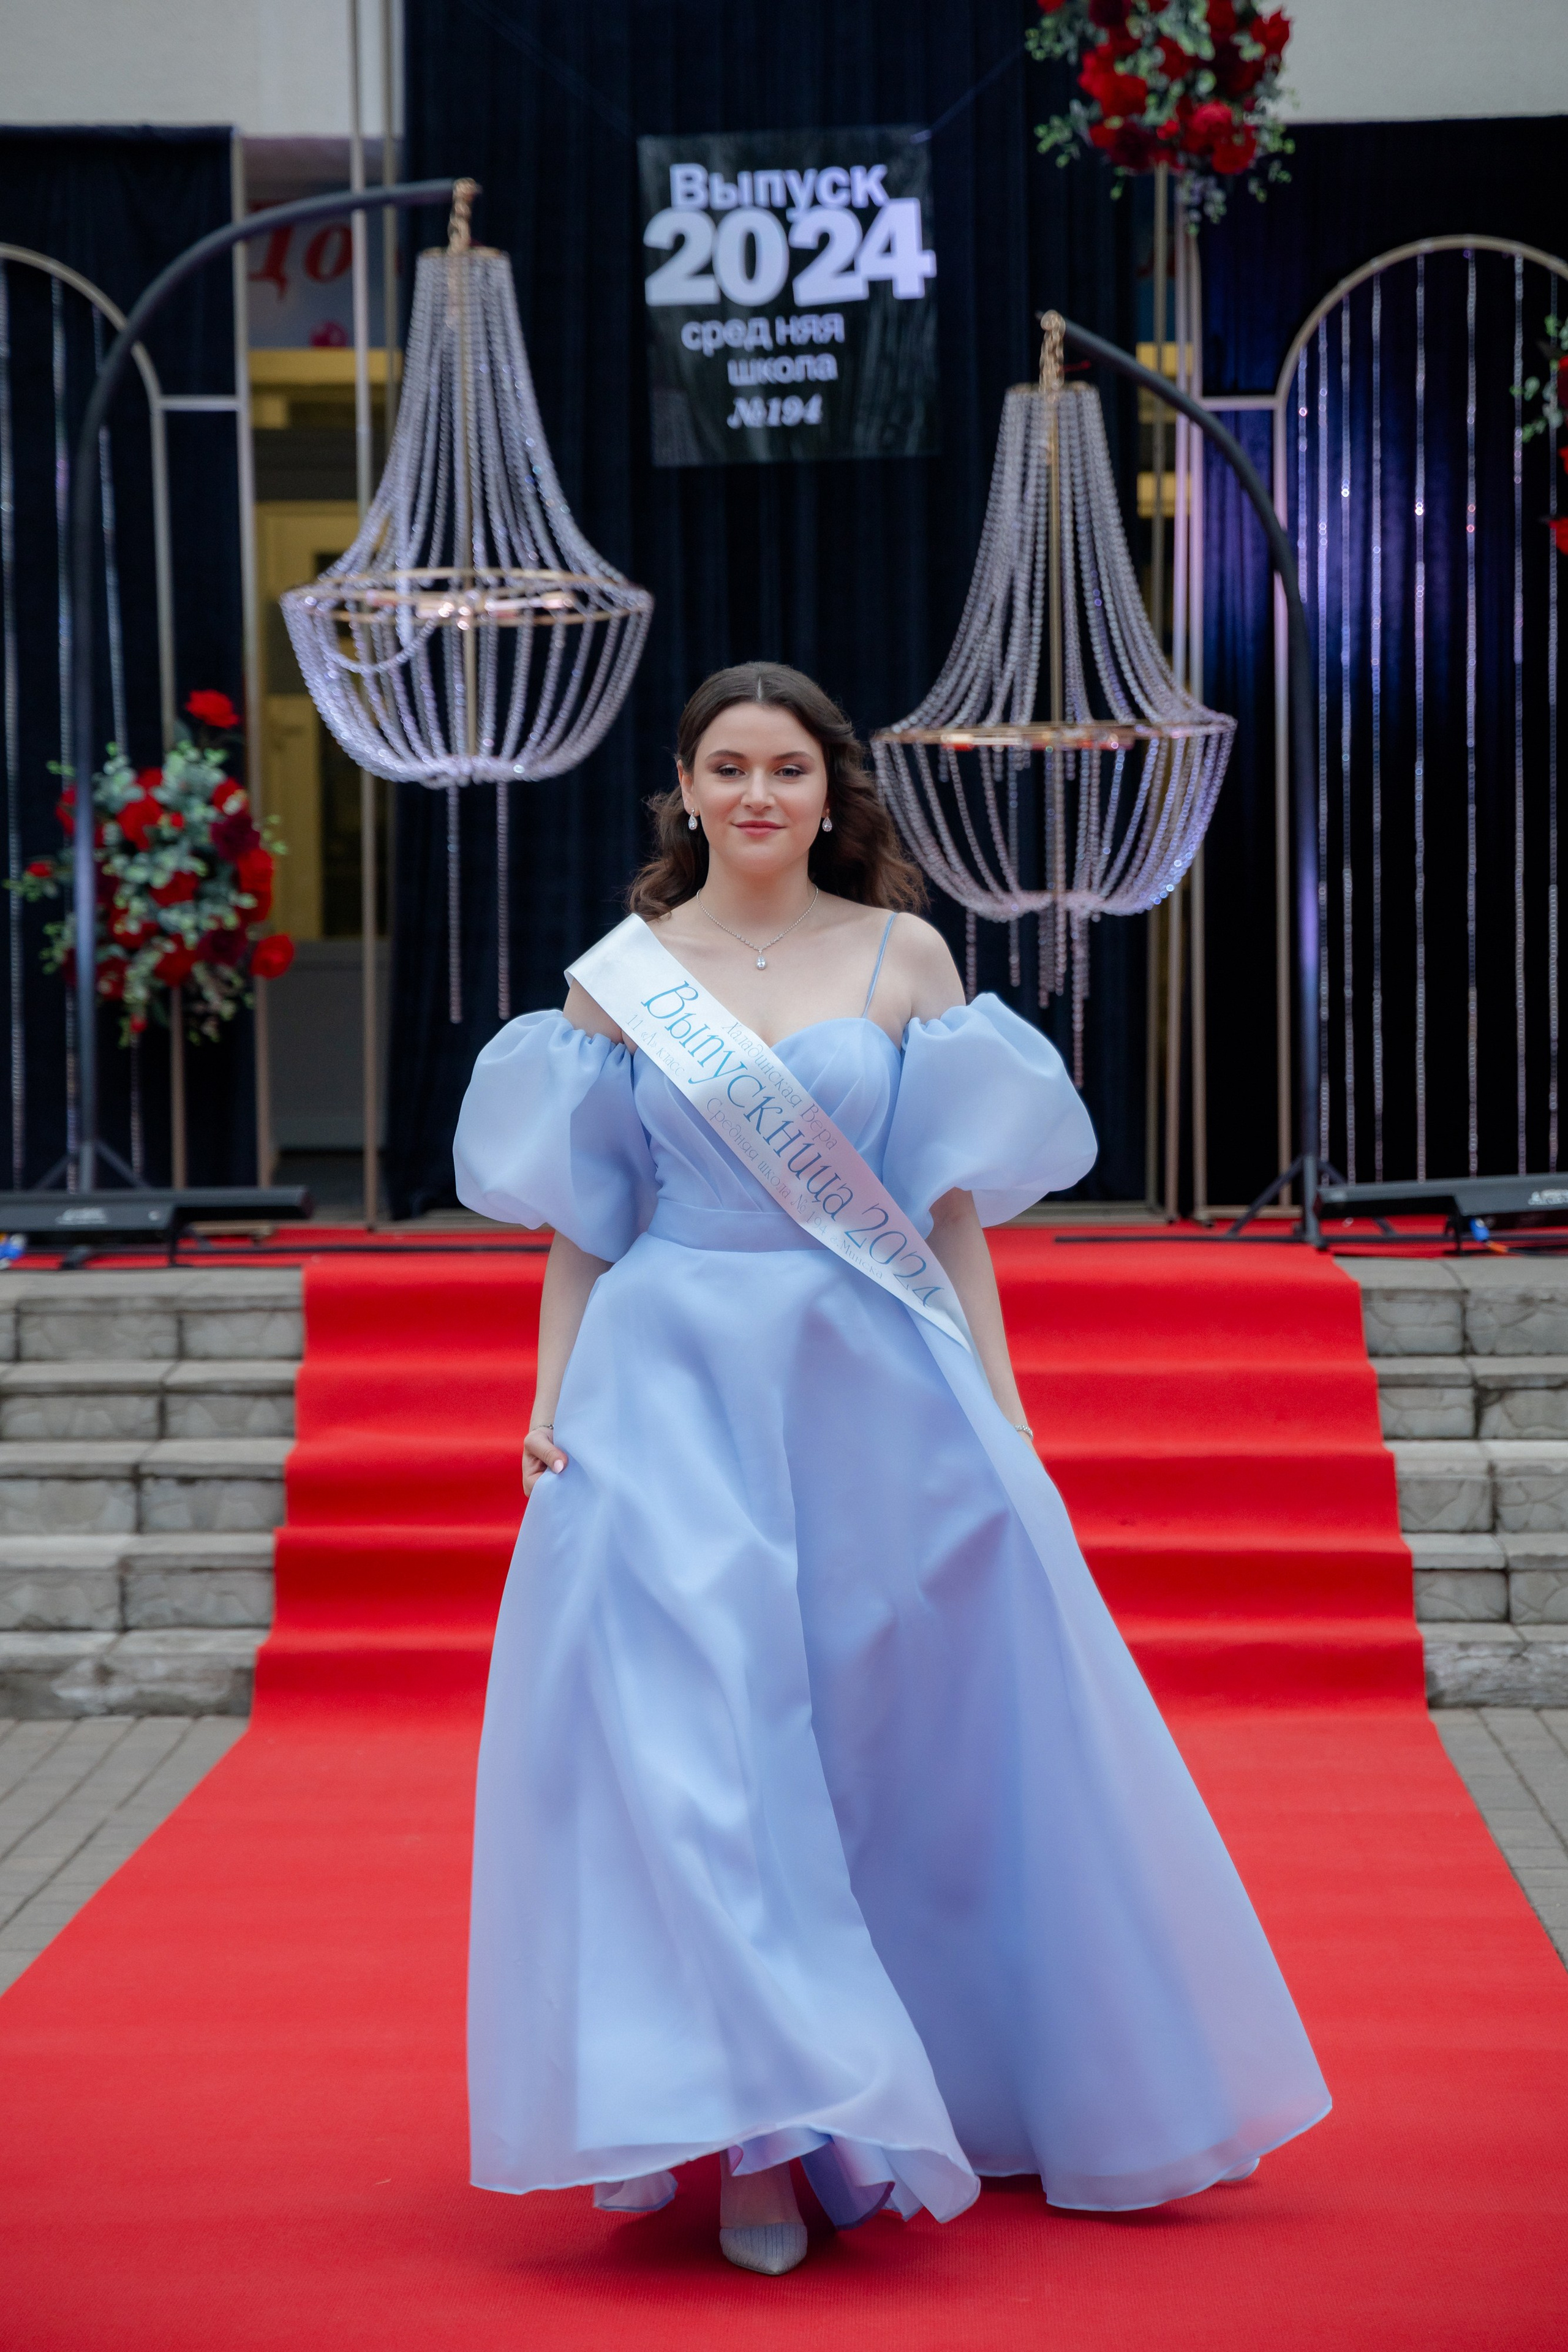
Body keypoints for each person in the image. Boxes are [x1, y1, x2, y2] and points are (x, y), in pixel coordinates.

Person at [454, 662, 1329, 2279]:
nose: (760, 792)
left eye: (789, 765)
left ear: (832, 789)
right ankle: (768, 2134)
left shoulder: (906, 956)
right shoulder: (620, 982)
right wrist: (548, 1398)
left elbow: (946, 1219)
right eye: (729, 765)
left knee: (872, 1746)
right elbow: (585, 1223)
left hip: (868, 1379)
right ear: (687, 787)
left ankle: (915, 2076)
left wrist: (1002, 1410)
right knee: (706, 1756)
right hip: (669, 1386)